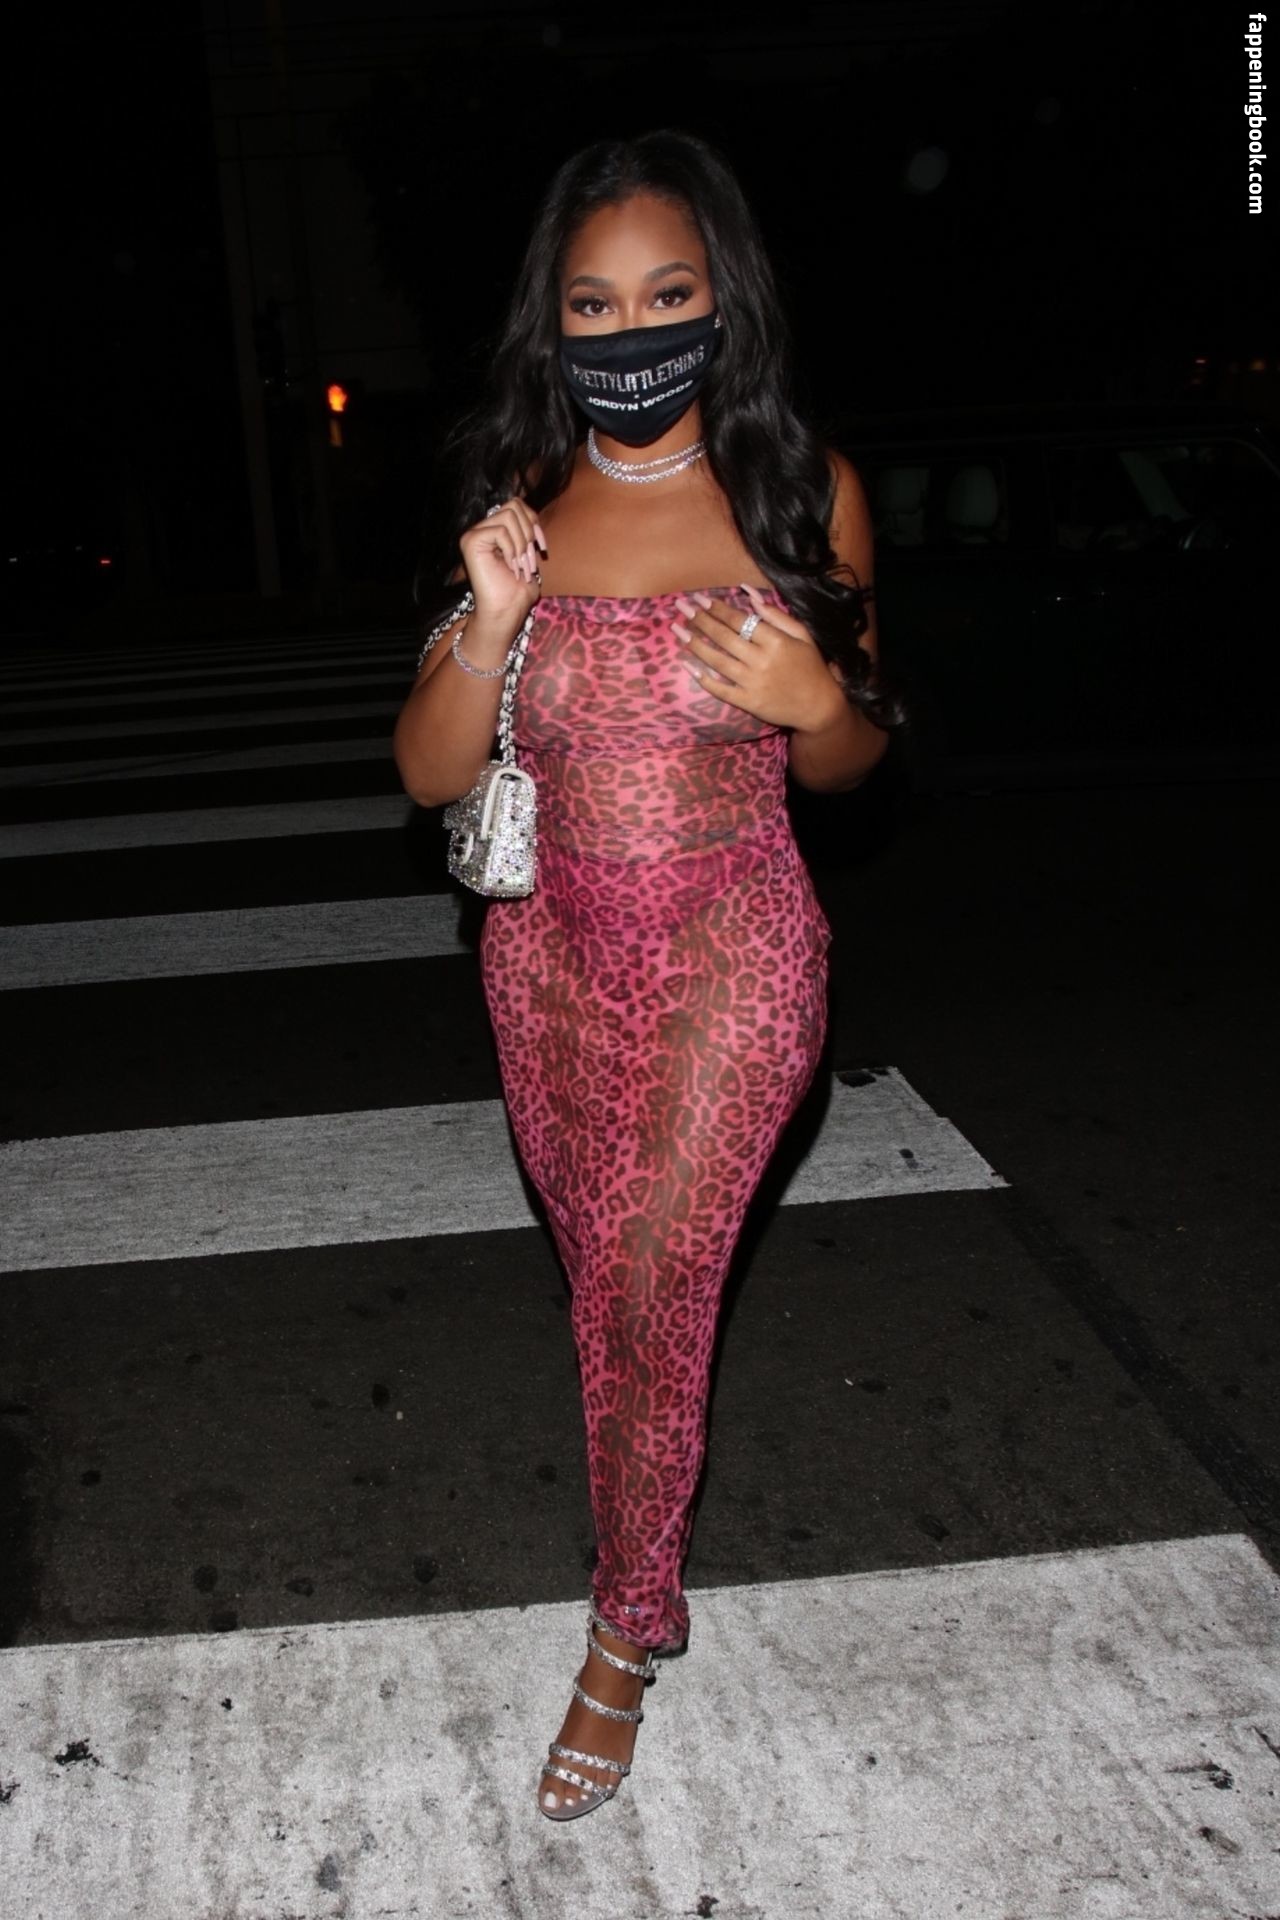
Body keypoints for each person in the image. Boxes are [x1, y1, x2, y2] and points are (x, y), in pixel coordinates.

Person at [392, 127, 897, 1823]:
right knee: (607, 1284)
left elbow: (854, 762)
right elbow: (428, 773)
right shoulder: (521, 506)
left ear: (722, 301)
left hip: (736, 947)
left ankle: (626, 1629)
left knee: (658, 1275)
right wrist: (486, 623)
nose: (632, 333)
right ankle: (635, 1549)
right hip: (546, 960)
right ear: (552, 325)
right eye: (594, 305)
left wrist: (818, 705)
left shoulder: (802, 494)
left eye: (666, 295)